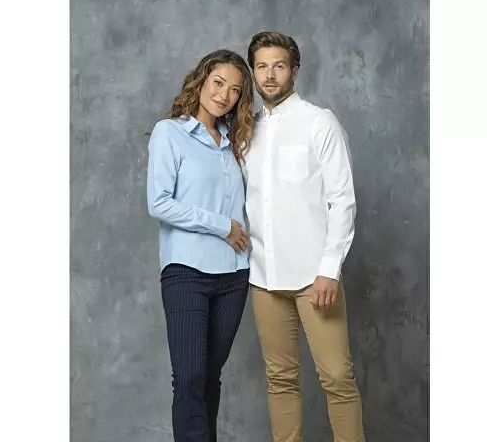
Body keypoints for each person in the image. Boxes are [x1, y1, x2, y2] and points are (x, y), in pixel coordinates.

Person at [242, 31, 366, 442]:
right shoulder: (246, 130)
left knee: (337, 376)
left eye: (279, 66)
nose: (269, 75)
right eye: (262, 66)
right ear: (253, 72)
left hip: (315, 278)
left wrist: (330, 269)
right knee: (280, 378)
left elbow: (342, 200)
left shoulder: (319, 122)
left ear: (295, 70)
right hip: (263, 277)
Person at [146, 49, 255, 442]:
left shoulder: (235, 143)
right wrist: (221, 225)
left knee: (210, 376)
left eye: (235, 90)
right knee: (190, 376)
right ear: (202, 80)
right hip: (187, 272)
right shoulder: (170, 133)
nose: (224, 95)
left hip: (235, 275)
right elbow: (159, 203)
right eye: (218, 83)